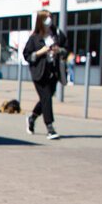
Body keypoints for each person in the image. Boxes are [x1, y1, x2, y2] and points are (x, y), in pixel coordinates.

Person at [23, 9, 68, 139]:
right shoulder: (34, 38)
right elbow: (27, 55)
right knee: (46, 97)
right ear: (41, 20)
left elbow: (67, 49)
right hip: (39, 72)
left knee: (46, 98)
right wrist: (40, 52)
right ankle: (50, 127)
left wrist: (58, 50)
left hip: (53, 72)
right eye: (47, 18)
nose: (50, 20)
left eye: (51, 17)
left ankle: (32, 118)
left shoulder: (57, 35)